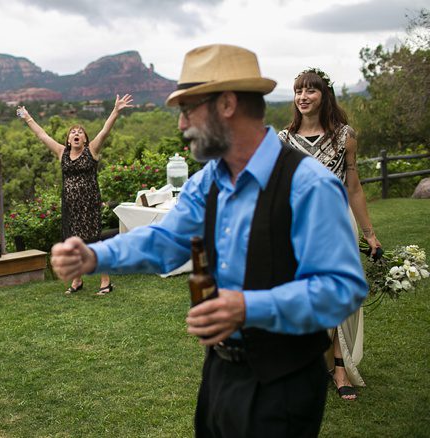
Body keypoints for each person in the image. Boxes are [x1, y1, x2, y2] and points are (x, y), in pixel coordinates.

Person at [50, 44, 368, 436]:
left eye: (188, 111)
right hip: (219, 370)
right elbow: (165, 240)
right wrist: (92, 255)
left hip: (282, 386)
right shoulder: (208, 181)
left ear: (227, 105)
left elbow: (343, 288)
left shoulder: (308, 185)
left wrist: (249, 307)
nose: (182, 125)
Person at [278, 68, 378, 401]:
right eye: (298, 91)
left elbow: (354, 187)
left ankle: (339, 368)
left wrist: (369, 233)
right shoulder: (283, 140)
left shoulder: (344, 136)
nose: (303, 97)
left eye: (310, 91)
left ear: (324, 96)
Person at [18, 94, 134, 295]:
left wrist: (115, 111)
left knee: (94, 243)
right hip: (70, 207)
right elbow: (42, 135)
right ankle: (77, 281)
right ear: (69, 139)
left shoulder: (92, 151)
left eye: (80, 132)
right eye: (73, 132)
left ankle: (105, 282)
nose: (77, 134)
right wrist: (27, 117)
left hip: (89, 206)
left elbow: (105, 130)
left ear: (85, 139)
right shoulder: (61, 152)